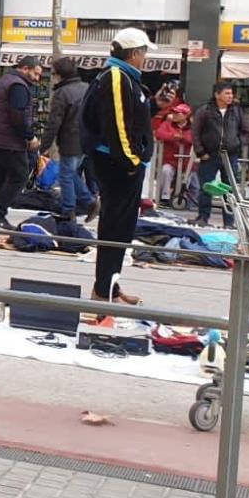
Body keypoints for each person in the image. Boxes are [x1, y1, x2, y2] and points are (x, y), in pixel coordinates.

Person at [81, 28, 156, 306]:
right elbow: (117, 126)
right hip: (117, 165)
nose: (146, 58)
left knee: (121, 229)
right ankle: (103, 289)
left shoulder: (126, 79)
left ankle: (109, 285)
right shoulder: (116, 77)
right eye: (144, 52)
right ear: (134, 53)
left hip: (121, 164)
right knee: (114, 228)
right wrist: (131, 163)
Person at [0, 56, 42, 230]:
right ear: (25, 68)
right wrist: (29, 137)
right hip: (8, 140)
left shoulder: (3, 81)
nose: (37, 79)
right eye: (35, 74)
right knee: (20, 175)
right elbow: (18, 115)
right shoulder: (18, 86)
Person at [39, 56, 97, 222]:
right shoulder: (87, 88)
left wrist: (44, 145)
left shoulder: (62, 93)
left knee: (65, 175)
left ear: (59, 75)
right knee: (70, 173)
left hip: (70, 140)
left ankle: (70, 209)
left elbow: (53, 123)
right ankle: (87, 202)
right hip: (86, 140)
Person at [192, 81, 249, 228]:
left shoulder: (236, 111)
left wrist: (238, 143)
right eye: (227, 93)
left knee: (229, 189)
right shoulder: (205, 110)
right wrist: (200, 151)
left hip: (230, 155)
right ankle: (203, 217)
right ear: (217, 95)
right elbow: (195, 132)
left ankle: (229, 222)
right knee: (206, 187)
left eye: (231, 93)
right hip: (209, 155)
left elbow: (246, 131)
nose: (230, 96)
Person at [154, 102, 194, 207]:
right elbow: (159, 133)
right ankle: (165, 197)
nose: (175, 115)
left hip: (186, 162)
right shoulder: (167, 123)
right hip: (169, 160)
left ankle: (180, 198)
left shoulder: (193, 127)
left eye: (178, 113)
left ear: (186, 115)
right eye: (174, 112)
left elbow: (193, 138)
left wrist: (182, 137)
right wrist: (174, 136)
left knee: (188, 178)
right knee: (166, 171)